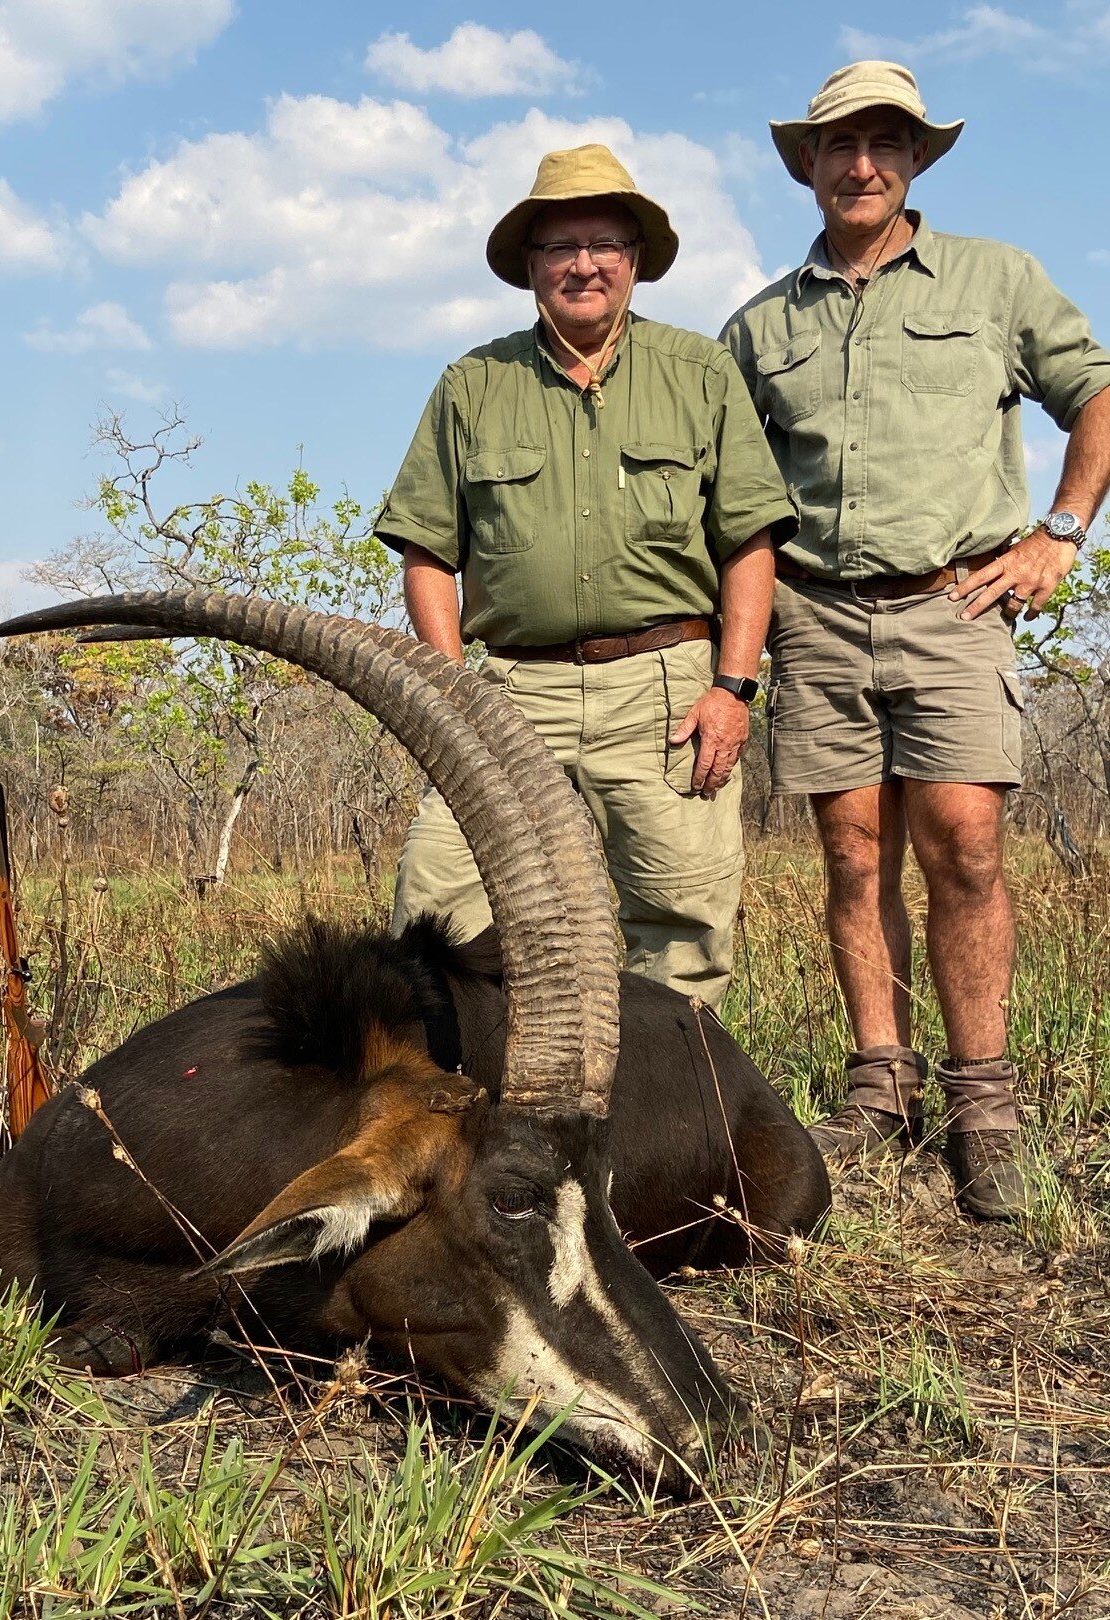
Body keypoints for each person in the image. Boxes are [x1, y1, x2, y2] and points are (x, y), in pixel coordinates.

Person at [721, 61, 1110, 1217]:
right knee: (851, 856)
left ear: (915, 160)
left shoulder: (996, 281)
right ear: (809, 165)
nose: (861, 164)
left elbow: (1096, 393)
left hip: (955, 604)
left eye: (885, 143)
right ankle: (878, 1080)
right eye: (840, 146)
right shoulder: (759, 323)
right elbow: (732, 492)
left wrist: (1059, 533)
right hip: (818, 614)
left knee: (968, 848)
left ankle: (982, 1100)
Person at [375, 144, 794, 1010]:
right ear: (530, 266)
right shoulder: (472, 383)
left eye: (604, 242)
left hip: (667, 689)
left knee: (680, 923)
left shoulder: (700, 372)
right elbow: (426, 550)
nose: (583, 264)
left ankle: (673, 1128)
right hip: (508, 693)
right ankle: (456, 1112)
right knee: (437, 906)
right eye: (559, 246)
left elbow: (750, 540)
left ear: (635, 261)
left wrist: (732, 690)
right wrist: (453, 688)